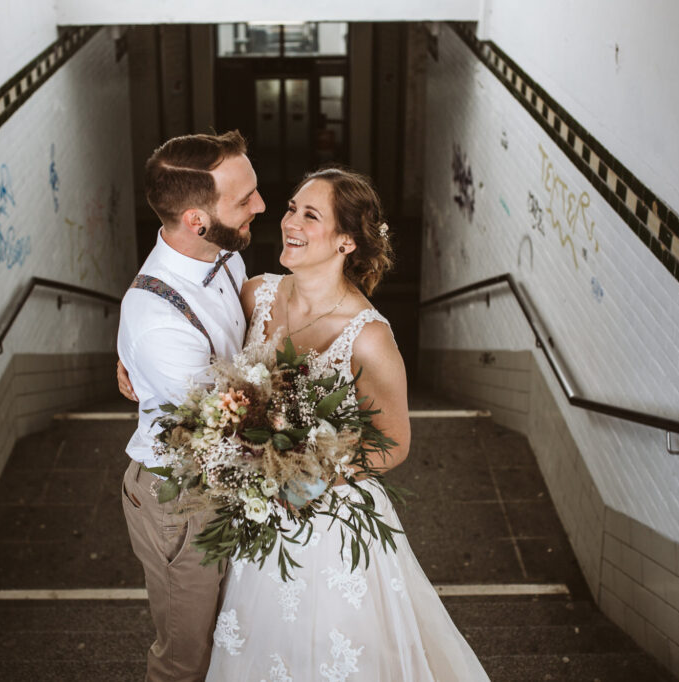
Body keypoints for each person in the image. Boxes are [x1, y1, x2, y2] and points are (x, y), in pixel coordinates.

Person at [204, 168, 490, 680]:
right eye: (291, 208)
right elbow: (210, 365)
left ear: (346, 242)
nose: (290, 221)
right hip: (259, 512)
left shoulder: (369, 337)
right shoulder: (256, 295)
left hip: (331, 520)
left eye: (309, 215)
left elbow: (395, 442)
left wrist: (310, 475)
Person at [115, 130, 265, 681]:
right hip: (182, 500)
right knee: (186, 660)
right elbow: (221, 435)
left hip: (232, 479)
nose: (261, 205)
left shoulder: (223, 255)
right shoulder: (158, 321)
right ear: (197, 221)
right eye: (244, 199)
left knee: (235, 636)